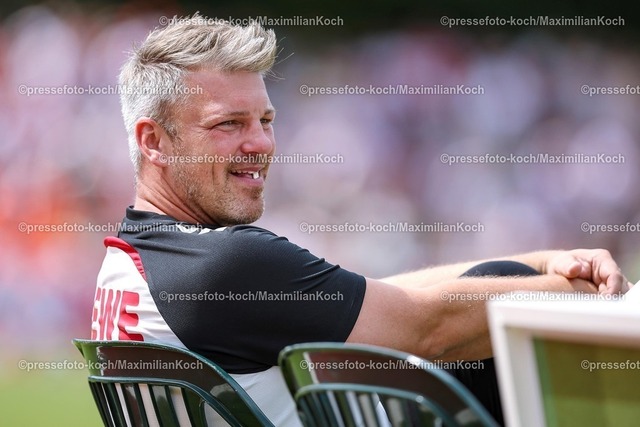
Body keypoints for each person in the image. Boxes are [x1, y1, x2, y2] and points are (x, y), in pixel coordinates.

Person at [90, 13, 632, 426]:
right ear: (153, 141)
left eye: (265, 120)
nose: (261, 143)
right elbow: (427, 329)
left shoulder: (134, 260)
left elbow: (376, 298)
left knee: (496, 280)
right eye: (228, 124)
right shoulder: (225, 264)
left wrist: (539, 263)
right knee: (491, 314)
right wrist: (597, 298)